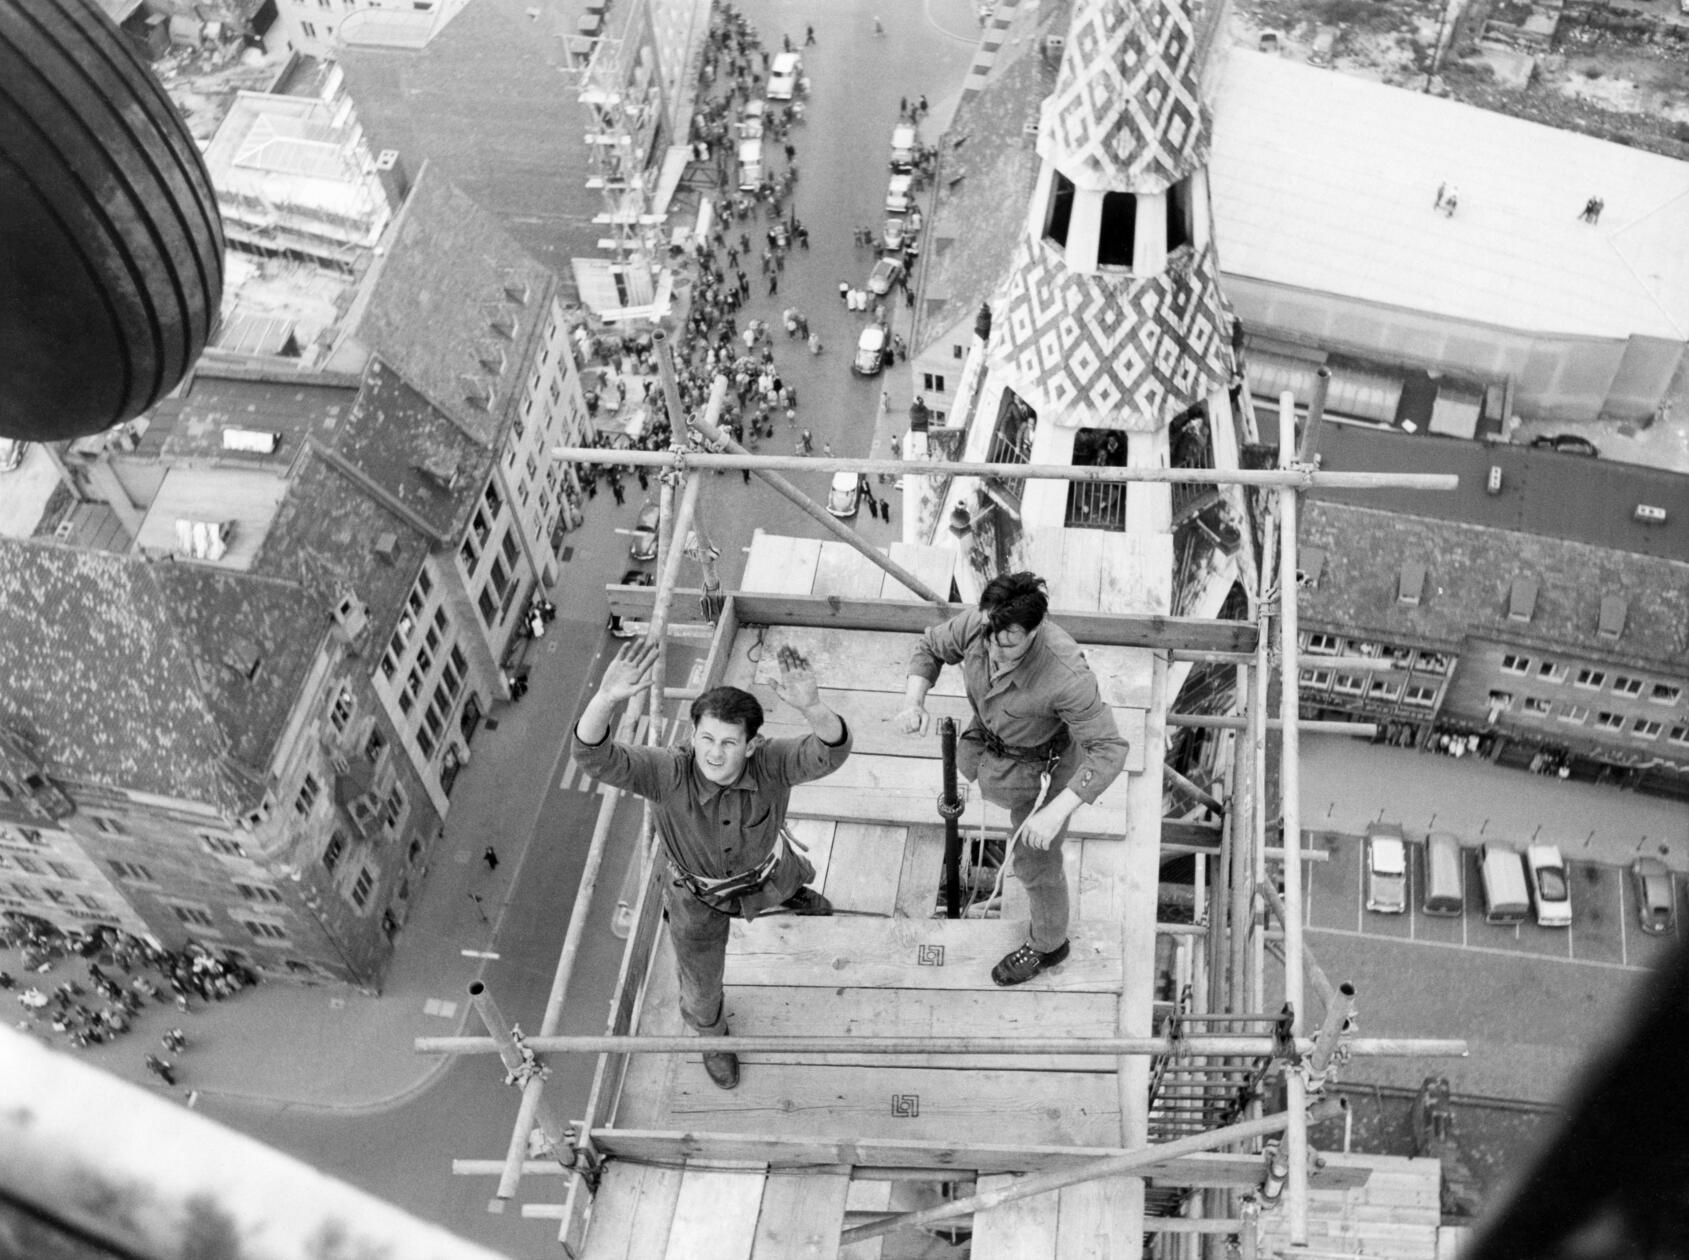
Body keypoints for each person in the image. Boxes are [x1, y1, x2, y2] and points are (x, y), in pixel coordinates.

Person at [573, 641, 851, 1090]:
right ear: (692, 735)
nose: (714, 754)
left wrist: (814, 707)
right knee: (701, 985)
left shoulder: (772, 762)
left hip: (765, 870)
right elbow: (595, 757)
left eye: (728, 742)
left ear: (752, 744)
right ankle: (712, 1037)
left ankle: (789, 895)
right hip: (697, 897)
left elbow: (829, 752)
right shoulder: (667, 773)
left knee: (785, 879)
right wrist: (605, 700)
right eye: (705, 739)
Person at [896, 573, 1128, 986]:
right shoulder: (986, 623)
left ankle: (1049, 944)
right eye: (988, 636)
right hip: (988, 744)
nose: (993, 649)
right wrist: (913, 702)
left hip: (1043, 772)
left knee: (1035, 863)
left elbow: (1109, 749)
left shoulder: (1067, 675)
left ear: (1035, 631)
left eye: (1008, 643)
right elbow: (931, 645)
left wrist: (1055, 812)